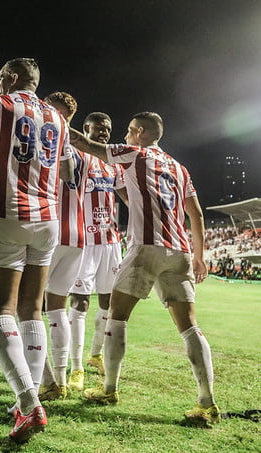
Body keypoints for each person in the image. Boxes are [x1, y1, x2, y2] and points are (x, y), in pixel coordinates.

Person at [69, 111, 220, 426]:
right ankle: (207, 402)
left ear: (139, 131)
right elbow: (196, 214)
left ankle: (109, 389)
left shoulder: (133, 154)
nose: (124, 135)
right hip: (178, 250)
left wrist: (53, 119)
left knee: (117, 317)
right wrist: (199, 256)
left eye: (127, 130)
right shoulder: (180, 169)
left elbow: (83, 143)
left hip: (145, 247)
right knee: (189, 326)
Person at [0, 58, 74, 443]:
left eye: (0, 77)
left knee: (0, 310)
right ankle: (23, 399)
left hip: (8, 211)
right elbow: (65, 171)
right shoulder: (58, 120)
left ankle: (29, 404)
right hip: (48, 220)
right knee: (32, 310)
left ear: (10, 78)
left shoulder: (0, 102)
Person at [67, 112, 127, 389]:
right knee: (80, 302)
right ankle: (75, 368)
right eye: (98, 129)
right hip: (85, 242)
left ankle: (95, 354)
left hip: (110, 242)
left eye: (107, 129)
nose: (104, 133)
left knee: (108, 303)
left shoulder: (113, 166)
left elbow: (126, 198)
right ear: (86, 129)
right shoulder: (78, 158)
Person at [37, 92, 90, 400]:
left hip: (50, 230)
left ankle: (46, 380)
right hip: (77, 234)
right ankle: (61, 380)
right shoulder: (84, 154)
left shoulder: (48, 142)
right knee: (57, 309)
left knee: (26, 307)